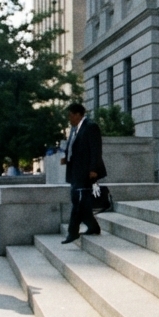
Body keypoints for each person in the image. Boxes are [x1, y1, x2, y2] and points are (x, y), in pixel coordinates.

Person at [60, 102, 106, 243]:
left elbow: (95, 150)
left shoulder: (91, 127)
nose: (69, 118)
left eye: (71, 115)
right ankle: (93, 226)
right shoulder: (74, 129)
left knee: (78, 202)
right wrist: (67, 158)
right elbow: (74, 148)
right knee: (80, 201)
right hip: (75, 171)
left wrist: (93, 169)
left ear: (78, 114)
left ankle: (72, 232)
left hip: (86, 172)